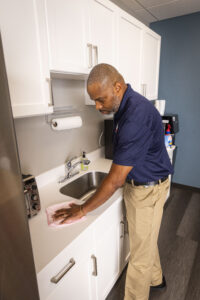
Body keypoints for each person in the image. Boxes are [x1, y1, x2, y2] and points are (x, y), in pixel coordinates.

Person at [53, 63, 173, 300]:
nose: (97, 106)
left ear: (117, 87)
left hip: (147, 191)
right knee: (145, 240)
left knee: (138, 259)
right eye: (94, 101)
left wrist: (83, 209)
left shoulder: (135, 116)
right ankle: (156, 279)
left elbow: (115, 179)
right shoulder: (126, 105)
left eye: (100, 99)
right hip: (144, 184)